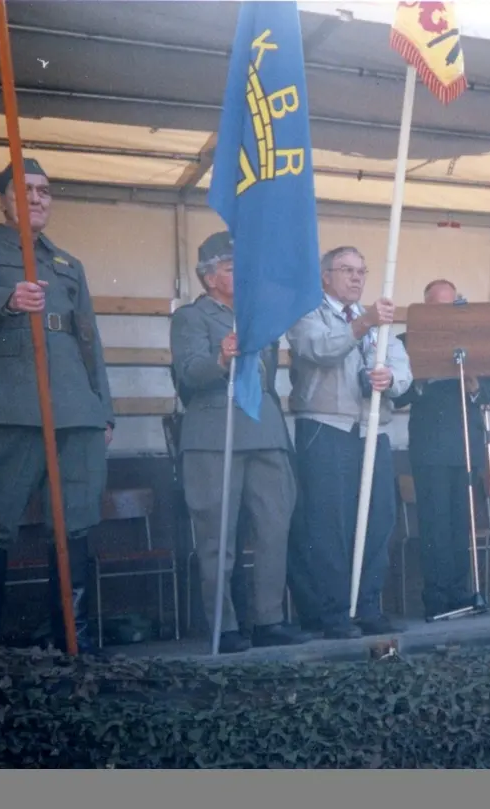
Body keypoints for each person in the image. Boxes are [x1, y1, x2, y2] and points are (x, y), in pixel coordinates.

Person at [0, 158, 113, 654]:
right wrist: (9, 296)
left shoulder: (66, 263)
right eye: (25, 190)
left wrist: (103, 408)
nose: (37, 198)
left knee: (74, 521)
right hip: (10, 401)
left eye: (44, 190)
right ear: (2, 200)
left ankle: (72, 645)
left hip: (75, 408)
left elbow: (89, 340)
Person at [169, 232, 308, 653]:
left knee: (274, 528)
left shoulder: (256, 314)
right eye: (232, 268)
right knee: (217, 535)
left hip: (263, 430)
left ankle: (269, 619)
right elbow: (189, 374)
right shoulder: (192, 317)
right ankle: (223, 625)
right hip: (214, 433)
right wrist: (220, 359)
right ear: (209, 278)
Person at [285, 246, 412, 638]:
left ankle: (368, 605)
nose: (357, 278)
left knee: (378, 519)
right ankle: (333, 612)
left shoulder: (377, 320)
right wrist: (363, 324)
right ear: (325, 276)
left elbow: (403, 367)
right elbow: (319, 349)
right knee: (329, 525)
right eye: (347, 270)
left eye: (362, 270)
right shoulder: (307, 311)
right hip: (326, 427)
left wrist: (389, 379)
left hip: (372, 427)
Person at [392, 279, 490, 617]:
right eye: (438, 306)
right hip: (429, 445)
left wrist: (474, 388)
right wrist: (421, 382)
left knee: (461, 521)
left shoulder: (471, 341)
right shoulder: (406, 342)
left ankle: (460, 591)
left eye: (451, 305)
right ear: (425, 308)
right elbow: (397, 397)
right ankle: (436, 595)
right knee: (435, 523)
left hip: (466, 443)